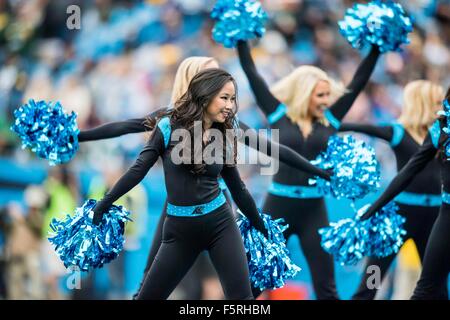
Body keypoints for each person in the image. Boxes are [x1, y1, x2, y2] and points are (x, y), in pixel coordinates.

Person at [235, 39, 381, 299]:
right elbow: (251, 72)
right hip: (278, 205)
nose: (327, 100)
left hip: (315, 208)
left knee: (326, 287)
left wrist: (376, 49)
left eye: (328, 94)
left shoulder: (331, 119)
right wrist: (241, 39)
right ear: (305, 93)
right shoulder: (278, 115)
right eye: (321, 94)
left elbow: (357, 83)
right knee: (255, 282)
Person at [339, 80, 446, 299]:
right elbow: (362, 127)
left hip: (434, 217)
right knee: (373, 276)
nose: (443, 107)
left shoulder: (443, 134)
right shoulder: (398, 131)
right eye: (437, 102)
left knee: (436, 284)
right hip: (398, 215)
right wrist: (327, 123)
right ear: (423, 103)